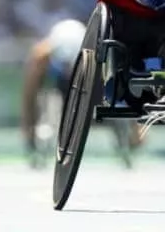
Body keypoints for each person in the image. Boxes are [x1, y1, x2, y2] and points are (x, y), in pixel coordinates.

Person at [21, 19, 142, 166]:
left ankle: (123, 139)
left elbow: (124, 89)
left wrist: (137, 128)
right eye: (64, 64)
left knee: (115, 109)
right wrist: (29, 132)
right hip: (62, 90)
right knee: (49, 102)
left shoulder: (103, 53)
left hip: (95, 86)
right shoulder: (41, 57)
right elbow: (29, 97)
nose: (68, 68)